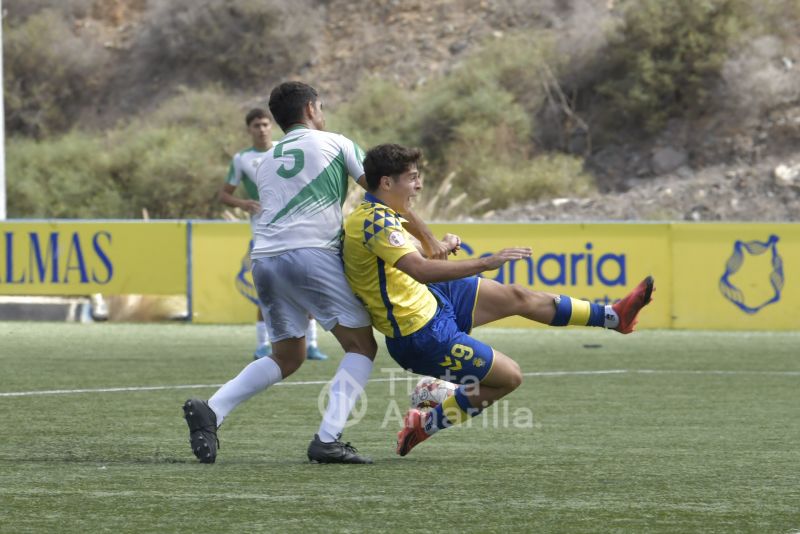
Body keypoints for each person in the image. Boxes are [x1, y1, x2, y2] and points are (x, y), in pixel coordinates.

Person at [183, 83, 449, 465]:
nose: (323, 113)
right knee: (361, 347)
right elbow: (382, 195)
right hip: (310, 255)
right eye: (321, 107)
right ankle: (328, 439)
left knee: (287, 355)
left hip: (265, 259)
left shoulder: (268, 157)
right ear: (311, 108)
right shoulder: (335, 143)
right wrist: (427, 239)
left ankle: (213, 409)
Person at [341, 143, 655, 457]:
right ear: (386, 183)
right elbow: (420, 270)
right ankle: (425, 425)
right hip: (420, 334)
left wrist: (438, 243)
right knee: (508, 378)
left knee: (517, 295)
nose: (419, 185)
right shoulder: (373, 222)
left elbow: (407, 242)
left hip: (431, 298)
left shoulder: (383, 211)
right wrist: (485, 262)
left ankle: (614, 316)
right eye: (412, 178)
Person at [218, 108, 328, 361]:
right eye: (257, 125)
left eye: (266, 124)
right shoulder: (242, 159)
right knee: (266, 290)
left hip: (295, 231)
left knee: (305, 285)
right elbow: (224, 194)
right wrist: (243, 203)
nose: (262, 129)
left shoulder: (285, 149)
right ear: (249, 130)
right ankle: (263, 344)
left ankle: (311, 343)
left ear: (272, 126)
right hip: (263, 233)